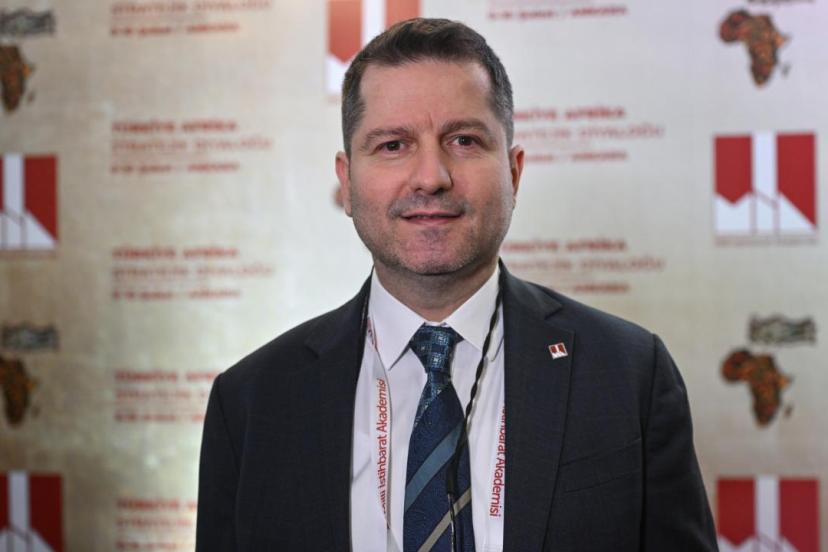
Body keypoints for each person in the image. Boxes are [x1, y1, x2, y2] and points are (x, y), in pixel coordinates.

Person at [196, 18, 718, 552]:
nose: (431, 177)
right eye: (393, 145)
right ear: (347, 182)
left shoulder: (629, 374)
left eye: (464, 140)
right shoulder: (252, 403)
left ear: (513, 173)